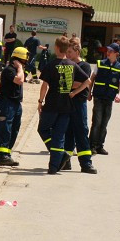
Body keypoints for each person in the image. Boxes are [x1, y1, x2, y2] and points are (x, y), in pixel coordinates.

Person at [36, 35, 89, 175]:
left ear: (57, 48)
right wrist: (74, 93)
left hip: (52, 104)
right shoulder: (73, 65)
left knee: (43, 129)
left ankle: (57, 155)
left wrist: (40, 102)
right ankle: (54, 167)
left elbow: (44, 86)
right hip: (66, 106)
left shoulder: (51, 64)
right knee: (59, 136)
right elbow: (88, 81)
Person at [60, 38, 96, 174]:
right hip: (67, 102)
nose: (67, 54)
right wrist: (74, 83)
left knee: (81, 132)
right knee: (67, 132)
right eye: (66, 52)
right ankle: (66, 161)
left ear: (76, 51)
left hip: (79, 103)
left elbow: (83, 82)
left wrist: (74, 84)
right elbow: (64, 83)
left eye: (70, 52)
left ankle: (86, 163)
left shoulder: (85, 65)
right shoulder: (65, 64)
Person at [88, 44, 120, 155]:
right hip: (98, 96)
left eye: (111, 51)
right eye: (107, 50)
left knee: (104, 123)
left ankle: (100, 146)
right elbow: (92, 78)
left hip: (109, 98)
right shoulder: (100, 63)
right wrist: (89, 92)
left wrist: (119, 95)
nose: (108, 52)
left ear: (116, 53)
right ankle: (92, 146)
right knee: (97, 121)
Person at [0, 46, 28, 167]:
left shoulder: (18, 70)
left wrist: (20, 68)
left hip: (16, 103)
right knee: (5, 129)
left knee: (14, 128)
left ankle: (7, 154)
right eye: (24, 61)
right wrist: (19, 67)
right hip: (7, 103)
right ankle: (1, 156)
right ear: (18, 60)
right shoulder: (9, 70)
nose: (25, 64)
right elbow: (19, 80)